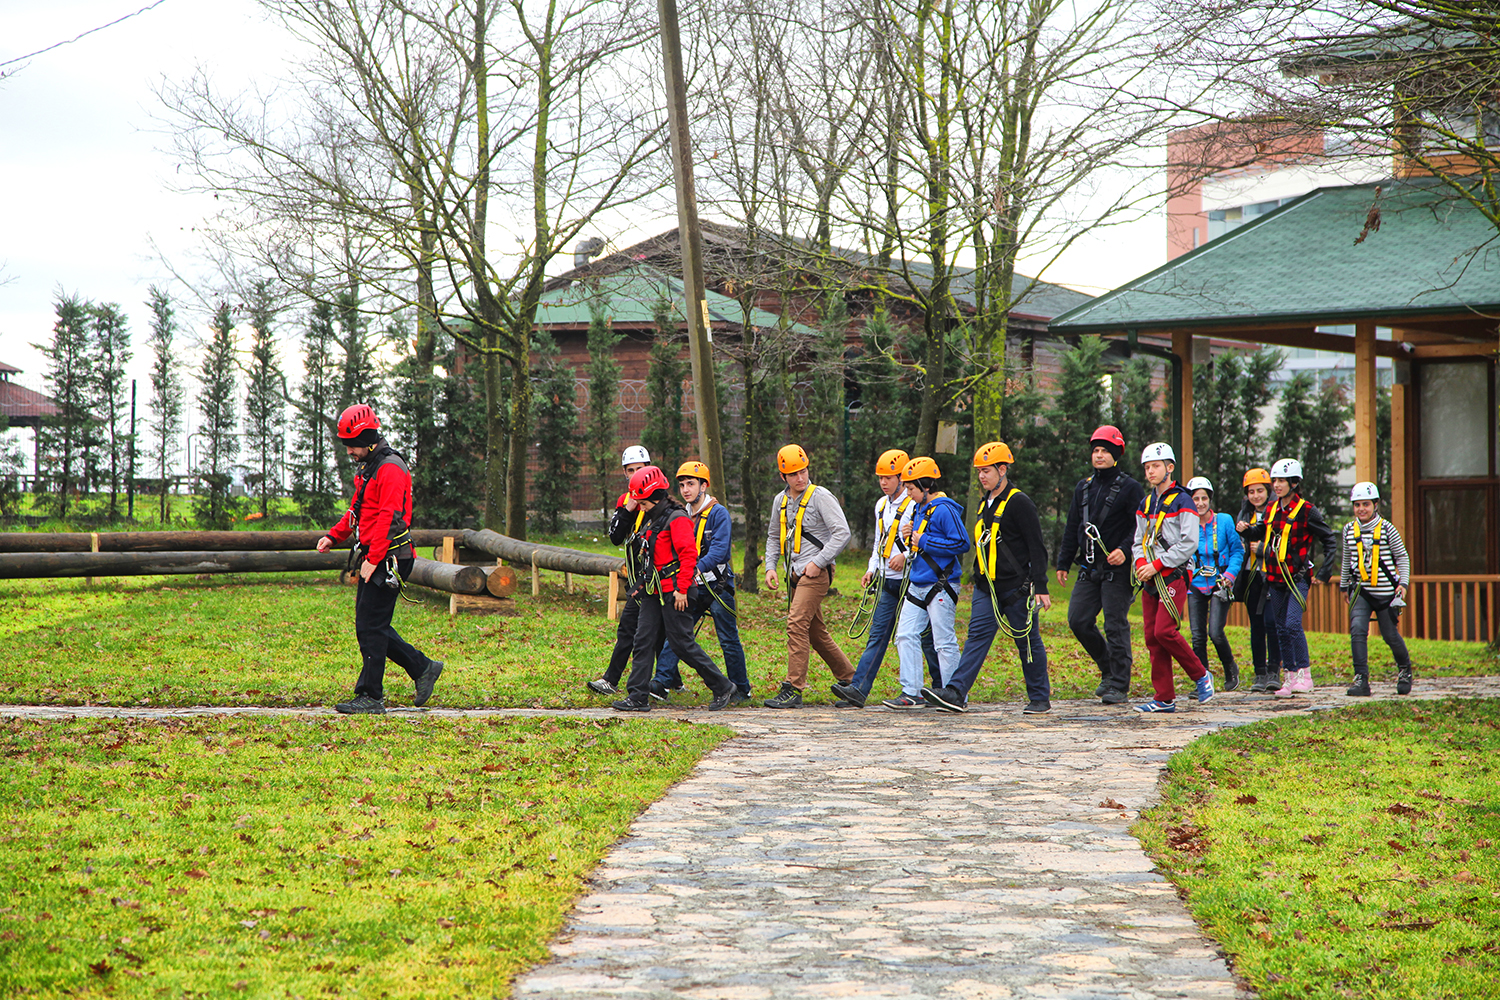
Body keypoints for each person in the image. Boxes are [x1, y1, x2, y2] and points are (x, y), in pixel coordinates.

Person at [316, 404, 442, 715]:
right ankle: (422, 667)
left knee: (370, 626)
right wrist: (334, 535)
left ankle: (371, 696)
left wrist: (373, 559)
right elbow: (358, 510)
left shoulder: (390, 468)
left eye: (353, 446)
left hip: (391, 557)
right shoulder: (369, 467)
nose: (350, 453)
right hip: (377, 555)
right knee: (372, 626)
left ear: (369, 439)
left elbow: (390, 516)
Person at [927, 442, 1053, 714]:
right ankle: (956, 692)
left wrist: (1040, 585)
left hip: (1016, 589)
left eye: (986, 471)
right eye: (979, 472)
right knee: (976, 638)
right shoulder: (986, 502)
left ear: (1002, 470)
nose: (982, 476)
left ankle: (1040, 698)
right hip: (987, 588)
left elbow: (1036, 546)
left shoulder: (1020, 502)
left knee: (1028, 641)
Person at [612, 466, 735, 713]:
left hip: (675, 591)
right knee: (643, 639)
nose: (641, 507)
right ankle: (638, 695)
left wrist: (681, 589)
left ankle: (723, 686)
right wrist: (639, 587)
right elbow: (650, 557)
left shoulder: (676, 518)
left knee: (682, 644)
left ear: (653, 496)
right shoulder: (653, 516)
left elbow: (689, 555)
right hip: (652, 590)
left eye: (643, 502)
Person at [830, 449, 940, 708]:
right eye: (880, 477)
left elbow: (920, 539)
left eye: (889, 477)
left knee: (922, 635)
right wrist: (872, 569)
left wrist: (904, 555)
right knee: (877, 635)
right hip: (887, 581)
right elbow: (878, 543)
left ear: (901, 478)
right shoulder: (881, 505)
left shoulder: (915, 504)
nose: (883, 482)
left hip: (910, 581)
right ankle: (858, 689)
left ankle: (940, 689)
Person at [1055, 425, 1145, 705]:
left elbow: (1139, 526)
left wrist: (1124, 550)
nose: (1099, 455)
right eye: (1096, 450)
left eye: (1105, 450)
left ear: (1116, 454)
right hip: (1087, 567)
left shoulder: (1130, 488)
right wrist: (1063, 561)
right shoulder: (1083, 487)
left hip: (1116, 570)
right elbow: (1073, 526)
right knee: (1078, 620)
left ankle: (1119, 683)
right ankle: (1108, 668)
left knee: (1115, 625)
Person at [648, 461, 751, 705]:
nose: (686, 490)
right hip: (691, 585)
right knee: (677, 634)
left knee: (727, 638)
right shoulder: (680, 514)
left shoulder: (718, 513)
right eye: (682, 485)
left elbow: (720, 551)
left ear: (704, 486)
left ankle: (741, 688)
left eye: (691, 484)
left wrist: (693, 569)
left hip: (717, 586)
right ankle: (661, 682)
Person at [762, 444, 856, 708]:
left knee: (795, 623)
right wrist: (771, 566)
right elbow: (772, 536)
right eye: (793, 474)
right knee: (815, 632)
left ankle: (794, 687)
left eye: (803, 471)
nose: (800, 478)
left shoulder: (821, 496)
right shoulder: (779, 501)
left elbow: (842, 532)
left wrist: (819, 562)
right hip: (793, 574)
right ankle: (852, 681)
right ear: (783, 477)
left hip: (816, 573)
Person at [875, 457, 969, 710]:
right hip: (918, 583)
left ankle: (955, 693)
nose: (908, 492)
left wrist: (923, 540)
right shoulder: (919, 508)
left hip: (941, 583)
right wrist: (909, 539)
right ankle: (911, 691)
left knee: (943, 640)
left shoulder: (944, 509)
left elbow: (962, 543)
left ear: (925, 486)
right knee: (905, 634)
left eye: (911, 488)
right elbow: (919, 545)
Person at [1132, 443, 1213, 713]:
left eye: (1155, 466)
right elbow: (1138, 541)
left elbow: (1189, 543)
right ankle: (1164, 697)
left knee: (1164, 630)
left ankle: (1201, 675)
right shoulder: (1146, 503)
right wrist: (1141, 563)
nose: (1150, 471)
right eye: (1146, 467)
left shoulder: (1183, 500)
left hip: (1172, 574)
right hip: (1151, 576)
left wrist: (1157, 564)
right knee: (1152, 638)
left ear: (1169, 468)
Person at [1262, 458, 1338, 697]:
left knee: (1293, 623)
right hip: (1274, 578)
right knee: (1280, 628)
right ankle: (1290, 677)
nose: (1276, 485)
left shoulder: (1307, 510)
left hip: (1298, 577)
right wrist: (1247, 528)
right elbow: (1264, 531)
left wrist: (1325, 572)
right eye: (1274, 480)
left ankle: (1306, 675)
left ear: (1294, 482)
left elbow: (1329, 539)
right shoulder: (1272, 508)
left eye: (1282, 481)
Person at [587, 445, 656, 696]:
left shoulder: (660, 498)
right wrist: (630, 507)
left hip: (655, 577)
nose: (636, 473)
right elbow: (616, 536)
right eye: (631, 470)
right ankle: (616, 680)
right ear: (625, 474)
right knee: (634, 629)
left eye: (641, 469)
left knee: (657, 632)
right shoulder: (625, 501)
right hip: (637, 577)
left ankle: (661, 680)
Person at [1340, 482, 1413, 697]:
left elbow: (1403, 557)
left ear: (1375, 505)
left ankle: (1405, 671)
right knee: (1358, 631)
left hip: (1386, 593)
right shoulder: (1348, 530)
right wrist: (1344, 585)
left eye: (1365, 504)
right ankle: (1361, 678)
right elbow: (1347, 559)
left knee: (1390, 635)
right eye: (1357, 505)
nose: (1361, 509)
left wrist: (1404, 584)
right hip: (1361, 591)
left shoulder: (1388, 529)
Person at [1186, 476, 1244, 692]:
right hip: (1196, 582)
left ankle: (1230, 668)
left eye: (1203, 498)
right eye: (1195, 499)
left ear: (1209, 499)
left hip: (1221, 582)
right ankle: (1203, 680)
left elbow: (1238, 550)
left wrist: (1230, 574)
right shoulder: (1187, 523)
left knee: (1215, 632)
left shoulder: (1225, 521)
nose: (1200, 503)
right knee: (1197, 635)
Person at [1233, 469, 1283, 693]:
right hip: (1251, 574)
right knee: (1256, 626)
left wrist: (1262, 548)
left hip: (1271, 576)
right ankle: (1259, 672)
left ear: (1268, 491)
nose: (1256, 496)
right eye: (1251, 492)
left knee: (1272, 623)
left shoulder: (1277, 513)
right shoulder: (1244, 516)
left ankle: (1274, 670)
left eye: (1260, 491)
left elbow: (1283, 543)